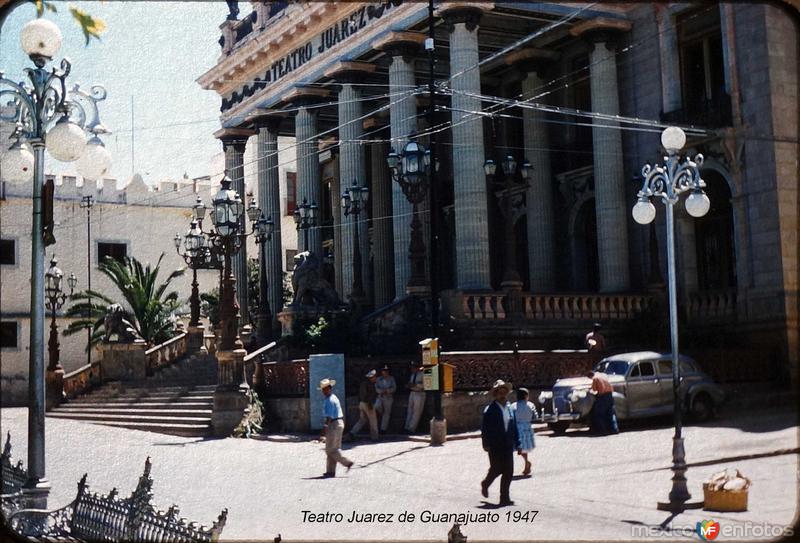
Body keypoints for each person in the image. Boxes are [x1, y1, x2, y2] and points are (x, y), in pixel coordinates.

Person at [480, 380, 520, 506]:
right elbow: (485, 429)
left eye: (504, 392)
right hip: (495, 444)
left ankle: (504, 498)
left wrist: (518, 443)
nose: (502, 395)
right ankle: (486, 483)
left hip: (508, 443)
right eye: (500, 392)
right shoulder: (490, 410)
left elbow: (514, 426)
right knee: (496, 469)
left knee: (508, 471)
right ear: (495, 394)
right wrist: (486, 444)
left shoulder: (510, 408)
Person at [319, 378, 353, 477]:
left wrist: (324, 429)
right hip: (338, 423)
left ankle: (347, 462)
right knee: (333, 448)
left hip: (333, 424)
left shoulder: (330, 400)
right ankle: (330, 471)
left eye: (325, 389)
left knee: (330, 449)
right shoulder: (333, 397)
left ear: (329, 388)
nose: (323, 391)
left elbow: (329, 417)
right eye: (323, 389)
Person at [348, 369, 379, 441]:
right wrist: (369, 404)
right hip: (367, 403)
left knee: (362, 420)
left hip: (361, 403)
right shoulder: (370, 384)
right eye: (375, 377)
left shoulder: (363, 383)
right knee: (373, 421)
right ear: (372, 377)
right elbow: (366, 395)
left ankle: (352, 432)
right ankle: (375, 437)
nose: (375, 378)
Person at [512, 388, 537, 476]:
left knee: (519, 447)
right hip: (527, 427)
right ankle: (527, 463)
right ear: (526, 396)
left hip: (518, 427)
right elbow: (535, 416)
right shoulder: (530, 405)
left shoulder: (514, 406)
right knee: (523, 448)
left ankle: (526, 463)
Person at [587, 371, 618, 435]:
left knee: (599, 414)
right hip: (610, 394)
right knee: (611, 413)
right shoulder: (603, 375)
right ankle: (614, 429)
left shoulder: (595, 378)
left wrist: (590, 391)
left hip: (603, 396)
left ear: (590, 376)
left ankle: (603, 430)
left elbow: (594, 390)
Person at [404, 362, 426, 434]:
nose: (412, 369)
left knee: (416, 411)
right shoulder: (412, 375)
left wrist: (416, 385)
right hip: (412, 392)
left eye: (413, 367)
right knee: (410, 410)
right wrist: (409, 385)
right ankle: (406, 427)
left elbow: (425, 385)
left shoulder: (422, 374)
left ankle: (412, 428)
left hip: (419, 393)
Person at [374, 365, 396, 433]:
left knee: (387, 413)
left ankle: (383, 429)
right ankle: (381, 414)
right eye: (384, 371)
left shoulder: (391, 378)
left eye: (386, 371)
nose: (385, 372)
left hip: (388, 397)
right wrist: (381, 391)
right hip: (380, 396)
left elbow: (394, 388)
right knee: (377, 406)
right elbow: (376, 388)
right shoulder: (378, 379)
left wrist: (387, 391)